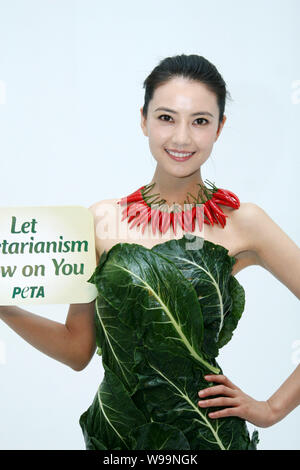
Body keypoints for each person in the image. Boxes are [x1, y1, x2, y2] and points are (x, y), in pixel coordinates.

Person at [1, 54, 300, 450]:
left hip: (207, 436)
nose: (181, 138)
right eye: (166, 117)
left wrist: (272, 409)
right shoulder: (99, 220)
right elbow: (77, 349)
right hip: (115, 437)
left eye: (200, 121)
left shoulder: (245, 222)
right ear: (143, 119)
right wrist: (6, 306)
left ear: (219, 128)